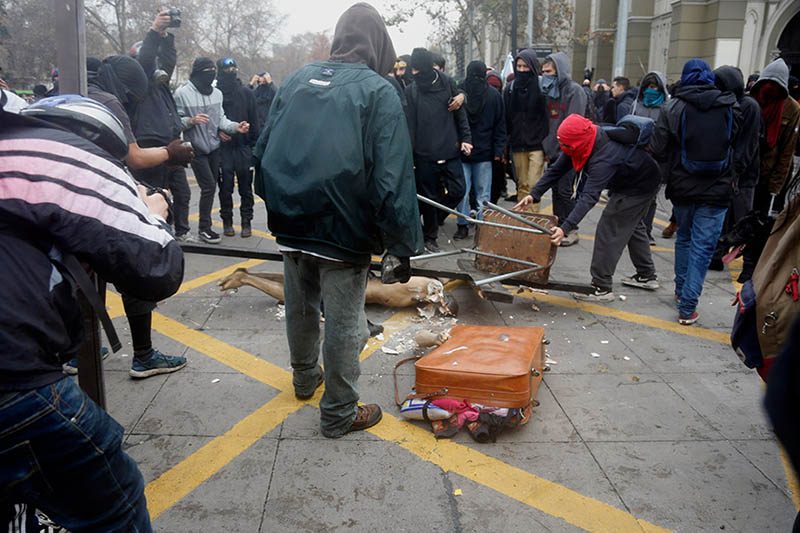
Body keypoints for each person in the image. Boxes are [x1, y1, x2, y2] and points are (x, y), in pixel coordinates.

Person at [0, 94, 184, 532]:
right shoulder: (62, 153)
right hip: (14, 382)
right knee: (113, 499)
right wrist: (152, 212)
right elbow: (156, 268)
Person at [254, 2, 423, 438]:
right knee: (346, 319)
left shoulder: (296, 80)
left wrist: (278, 203)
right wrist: (400, 245)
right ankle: (340, 411)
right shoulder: (378, 91)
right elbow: (392, 176)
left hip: (291, 219)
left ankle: (305, 378)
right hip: (344, 226)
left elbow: (263, 149)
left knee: (301, 304)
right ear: (379, 44)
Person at [515, 114, 661, 301]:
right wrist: (533, 195)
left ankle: (601, 287)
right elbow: (557, 170)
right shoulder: (583, 140)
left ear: (576, 143)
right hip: (633, 180)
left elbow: (589, 197)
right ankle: (646, 275)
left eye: (566, 146)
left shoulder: (604, 157)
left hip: (639, 186)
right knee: (632, 225)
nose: (563, 149)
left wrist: (565, 227)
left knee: (609, 228)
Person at [649, 59, 741, 325]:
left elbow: (658, 147)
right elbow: (738, 146)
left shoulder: (673, 106)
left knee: (685, 239)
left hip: (682, 186)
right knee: (703, 247)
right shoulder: (730, 105)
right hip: (718, 188)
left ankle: (681, 293)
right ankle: (688, 307)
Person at [128, 10, 194, 242]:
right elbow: (146, 60)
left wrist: (166, 37)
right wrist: (154, 32)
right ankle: (153, 237)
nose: (158, 67)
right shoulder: (138, 86)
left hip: (170, 147)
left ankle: (178, 232)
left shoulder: (160, 85)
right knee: (153, 196)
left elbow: (167, 61)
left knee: (180, 193)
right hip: (150, 149)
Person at [174, 57, 250, 244]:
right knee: (208, 186)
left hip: (214, 147)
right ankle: (204, 228)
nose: (210, 76)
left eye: (212, 72)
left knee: (210, 187)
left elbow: (221, 119)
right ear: (197, 73)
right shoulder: (182, 93)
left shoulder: (217, 94)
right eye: (206, 72)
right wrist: (190, 121)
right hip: (195, 148)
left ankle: (202, 227)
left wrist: (235, 127)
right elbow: (174, 122)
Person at [405, 47, 472, 252]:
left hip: (450, 150)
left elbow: (460, 114)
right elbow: (410, 125)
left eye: (418, 70)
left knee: (458, 190)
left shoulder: (447, 82)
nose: (415, 75)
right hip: (424, 155)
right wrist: (411, 155)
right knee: (429, 196)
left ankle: (435, 216)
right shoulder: (412, 91)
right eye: (413, 71)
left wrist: (466, 139)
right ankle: (430, 237)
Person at [740, 58, 800, 283]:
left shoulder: (791, 109)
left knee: (761, 223)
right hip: (746, 171)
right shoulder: (751, 101)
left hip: (767, 176)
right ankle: (724, 253)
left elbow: (786, 151)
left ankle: (750, 265)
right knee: (739, 218)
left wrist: (776, 186)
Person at [709, 66, 762, 271]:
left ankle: (748, 261)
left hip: (743, 174)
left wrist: (736, 171)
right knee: (724, 217)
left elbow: (747, 144)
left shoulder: (749, 106)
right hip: (730, 170)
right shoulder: (732, 102)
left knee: (742, 220)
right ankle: (718, 255)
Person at [454, 60, 506, 241]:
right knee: (483, 193)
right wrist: (499, 150)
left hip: (462, 151)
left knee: (463, 191)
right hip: (485, 152)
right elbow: (500, 125)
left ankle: (462, 226)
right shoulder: (493, 95)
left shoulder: (460, 92)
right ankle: (482, 228)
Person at [541, 52, 588, 247]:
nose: (545, 75)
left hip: (570, 151)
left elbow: (574, 123)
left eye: (549, 71)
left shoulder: (574, 91)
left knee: (564, 190)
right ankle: (560, 225)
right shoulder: (549, 91)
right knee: (556, 190)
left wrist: (566, 148)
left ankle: (571, 228)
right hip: (553, 149)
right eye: (543, 72)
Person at [216, 57, 260, 238]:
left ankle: (246, 221)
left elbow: (255, 122)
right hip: (223, 148)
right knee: (225, 188)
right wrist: (217, 133)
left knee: (245, 188)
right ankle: (227, 221)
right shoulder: (215, 93)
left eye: (233, 68)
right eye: (226, 70)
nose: (231, 72)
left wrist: (253, 147)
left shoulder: (246, 93)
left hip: (243, 148)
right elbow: (211, 119)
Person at [503, 49, 548, 209]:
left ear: (533, 66)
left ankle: (533, 222)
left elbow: (547, 117)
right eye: (519, 66)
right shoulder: (509, 88)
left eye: (525, 66)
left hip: (538, 144)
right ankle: (524, 221)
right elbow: (507, 118)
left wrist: (547, 144)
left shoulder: (543, 87)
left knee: (534, 186)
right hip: (517, 144)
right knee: (522, 185)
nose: (522, 70)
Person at [630, 71, 669, 244]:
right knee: (632, 194)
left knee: (651, 198)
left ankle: (646, 231)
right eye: (648, 87)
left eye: (654, 87)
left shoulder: (667, 108)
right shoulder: (635, 105)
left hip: (657, 157)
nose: (651, 90)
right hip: (636, 155)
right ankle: (632, 230)